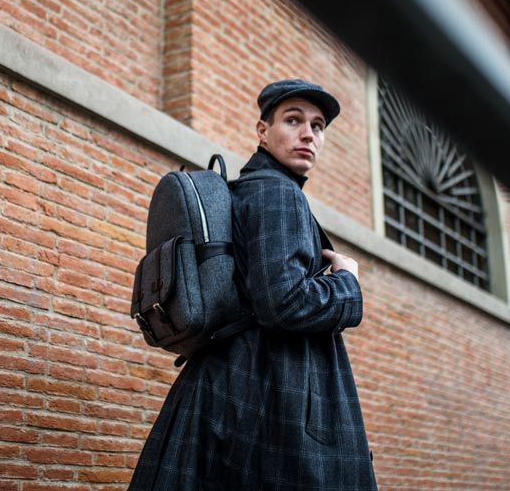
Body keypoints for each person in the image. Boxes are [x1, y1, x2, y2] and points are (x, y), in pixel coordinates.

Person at [128, 79, 376, 490]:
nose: (307, 134)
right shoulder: (279, 194)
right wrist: (346, 282)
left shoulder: (246, 190)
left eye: (317, 126)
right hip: (264, 400)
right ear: (263, 131)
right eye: (293, 120)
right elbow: (284, 303)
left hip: (231, 386)